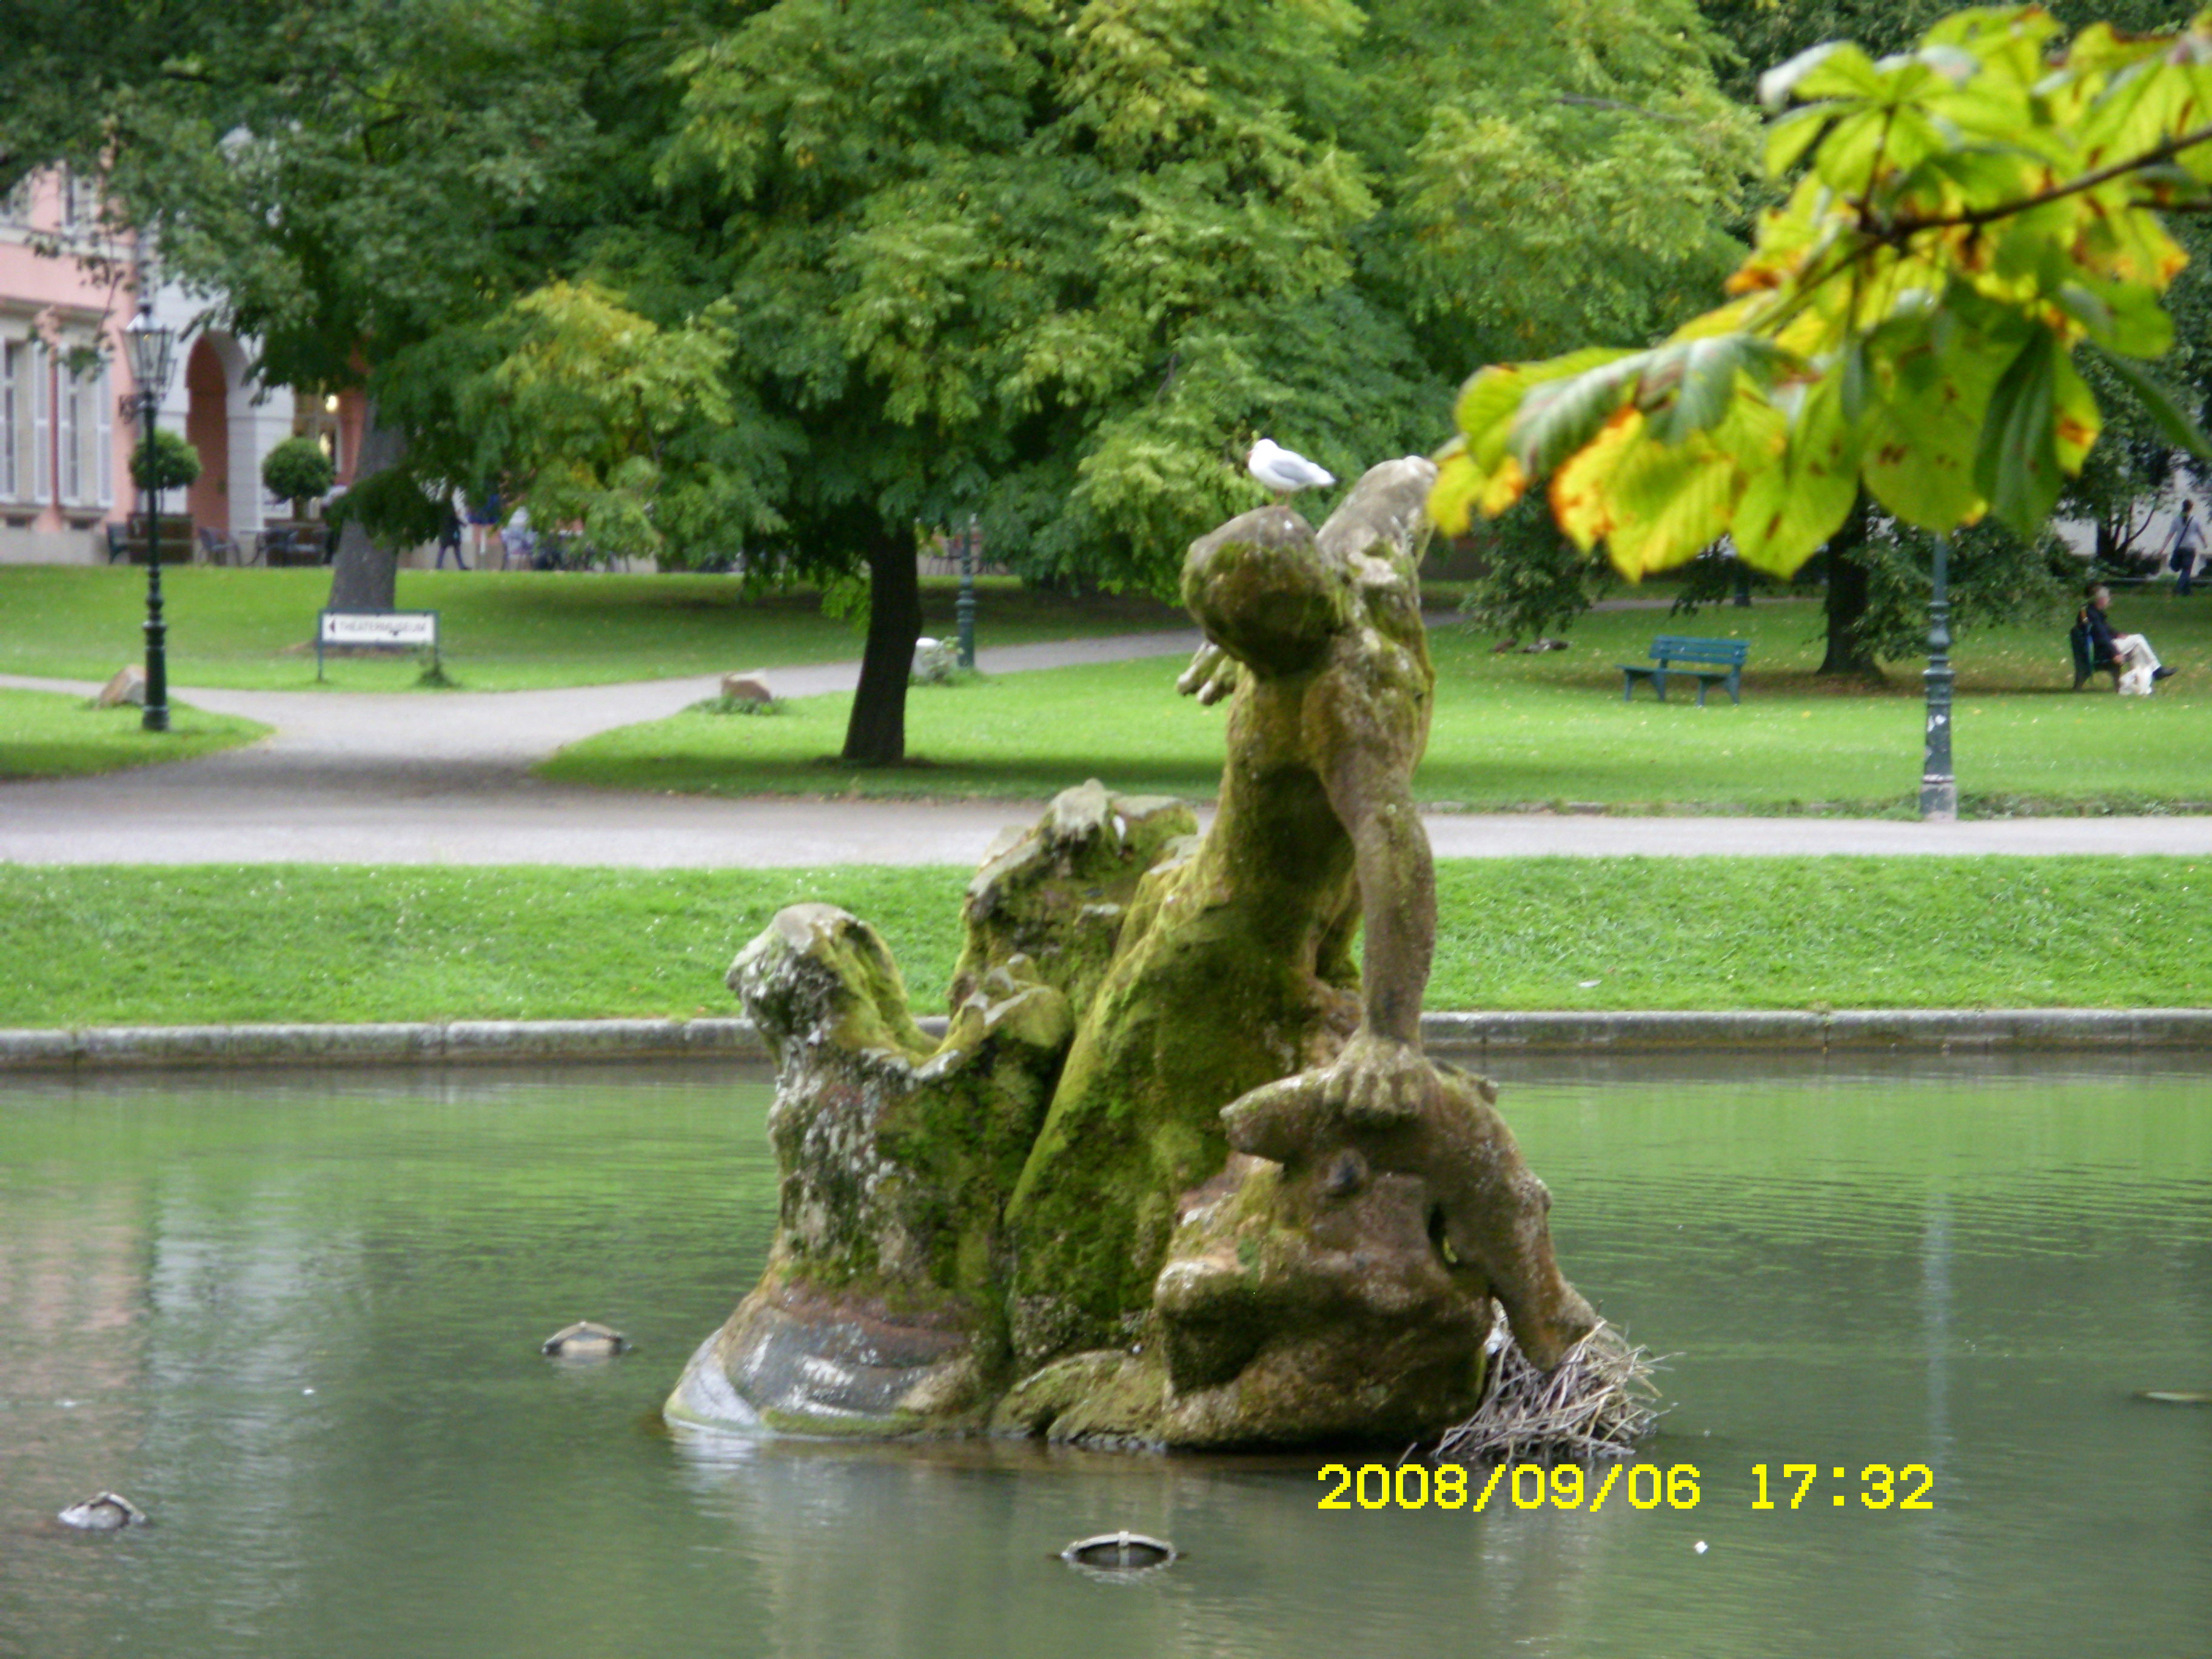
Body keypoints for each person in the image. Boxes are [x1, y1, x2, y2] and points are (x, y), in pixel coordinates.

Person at [2081, 582, 2177, 694]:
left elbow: (2106, 630)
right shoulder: (2093, 614)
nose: (2109, 600)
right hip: (2104, 650)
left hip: (2104, 647)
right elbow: (2102, 637)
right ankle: (2156, 669)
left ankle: (2142, 688)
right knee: (2138, 639)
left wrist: (2118, 635)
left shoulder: (2093, 612)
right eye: (2107, 598)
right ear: (2100, 599)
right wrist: (2115, 653)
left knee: (2137, 650)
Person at [2163, 498, 2204, 597]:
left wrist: (2164, 547)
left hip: (2179, 547)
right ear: (2191, 508)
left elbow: (2170, 534)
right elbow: (2201, 533)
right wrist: (2205, 543)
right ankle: (2178, 589)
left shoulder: (2177, 519)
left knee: (2185, 570)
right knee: (2186, 570)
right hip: (2190, 547)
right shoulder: (2195, 520)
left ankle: (2188, 592)